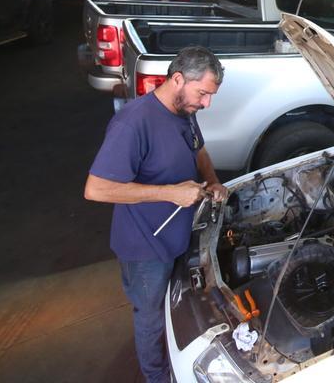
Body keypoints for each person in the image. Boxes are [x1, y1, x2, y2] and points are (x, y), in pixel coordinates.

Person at [84, 46, 229, 383]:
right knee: (149, 318)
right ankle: (156, 376)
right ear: (177, 79)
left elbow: (199, 148)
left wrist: (213, 181)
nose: (207, 103)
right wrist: (169, 192)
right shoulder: (134, 122)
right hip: (145, 247)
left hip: (177, 237)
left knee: (176, 306)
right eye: (203, 93)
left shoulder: (184, 110)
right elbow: (96, 188)